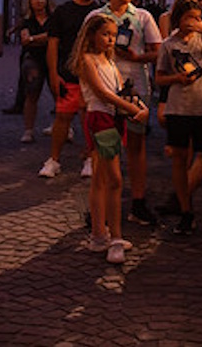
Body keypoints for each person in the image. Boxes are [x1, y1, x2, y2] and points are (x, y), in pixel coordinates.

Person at [74, 14, 149, 265]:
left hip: (114, 120)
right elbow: (102, 93)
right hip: (100, 120)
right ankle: (115, 237)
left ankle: (98, 234)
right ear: (92, 34)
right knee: (115, 180)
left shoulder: (110, 61)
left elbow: (120, 91)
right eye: (106, 34)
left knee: (100, 178)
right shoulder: (87, 60)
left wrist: (138, 105)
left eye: (113, 35)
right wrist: (132, 110)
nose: (110, 40)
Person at [94, 0, 162, 226]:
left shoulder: (142, 17)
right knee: (105, 147)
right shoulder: (96, 16)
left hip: (136, 88)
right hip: (105, 85)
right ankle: (100, 205)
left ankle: (138, 200)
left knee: (136, 145)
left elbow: (158, 51)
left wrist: (137, 58)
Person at [154, 0, 202, 236]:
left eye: (197, 17)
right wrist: (176, 79)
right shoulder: (169, 44)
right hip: (179, 107)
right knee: (179, 158)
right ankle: (185, 210)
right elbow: (159, 78)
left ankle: (185, 197)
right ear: (178, 18)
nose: (193, 22)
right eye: (189, 17)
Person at [39, 0, 103, 179]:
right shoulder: (63, 11)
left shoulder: (101, 12)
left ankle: (90, 157)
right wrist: (53, 73)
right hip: (68, 73)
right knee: (63, 116)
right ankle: (54, 159)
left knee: (90, 118)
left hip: (93, 74)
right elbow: (52, 44)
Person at [17, 0, 53, 143]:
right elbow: (25, 40)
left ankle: (63, 126)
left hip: (52, 58)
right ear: (30, 3)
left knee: (59, 94)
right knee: (32, 93)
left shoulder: (53, 19)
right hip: (33, 59)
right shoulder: (27, 21)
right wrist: (42, 38)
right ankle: (28, 130)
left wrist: (33, 38)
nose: (39, 1)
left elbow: (53, 36)